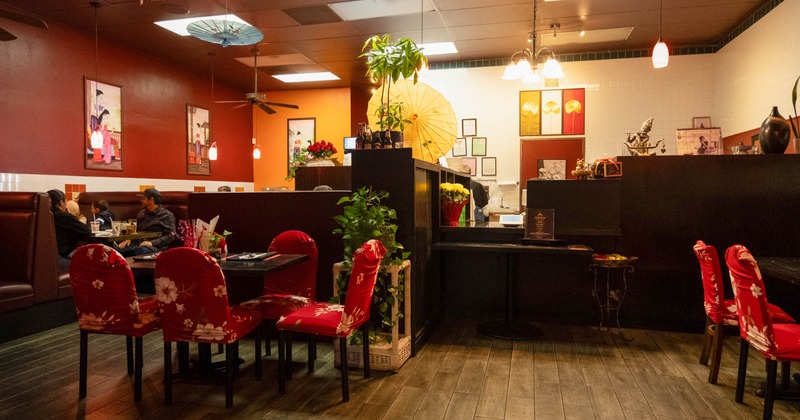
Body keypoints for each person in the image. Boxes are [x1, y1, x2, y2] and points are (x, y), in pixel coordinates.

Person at [116, 188, 177, 256]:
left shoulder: (166, 215)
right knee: (117, 251)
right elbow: (137, 231)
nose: (141, 201)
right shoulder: (141, 214)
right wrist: (130, 239)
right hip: (138, 244)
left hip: (155, 247)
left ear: (151, 200)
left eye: (143, 198)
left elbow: (172, 235)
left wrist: (152, 243)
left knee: (137, 251)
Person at [47, 189, 91, 270]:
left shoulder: (41, 216)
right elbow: (87, 231)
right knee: (92, 262)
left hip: (42, 260)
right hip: (60, 259)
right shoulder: (64, 216)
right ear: (61, 202)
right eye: (65, 202)